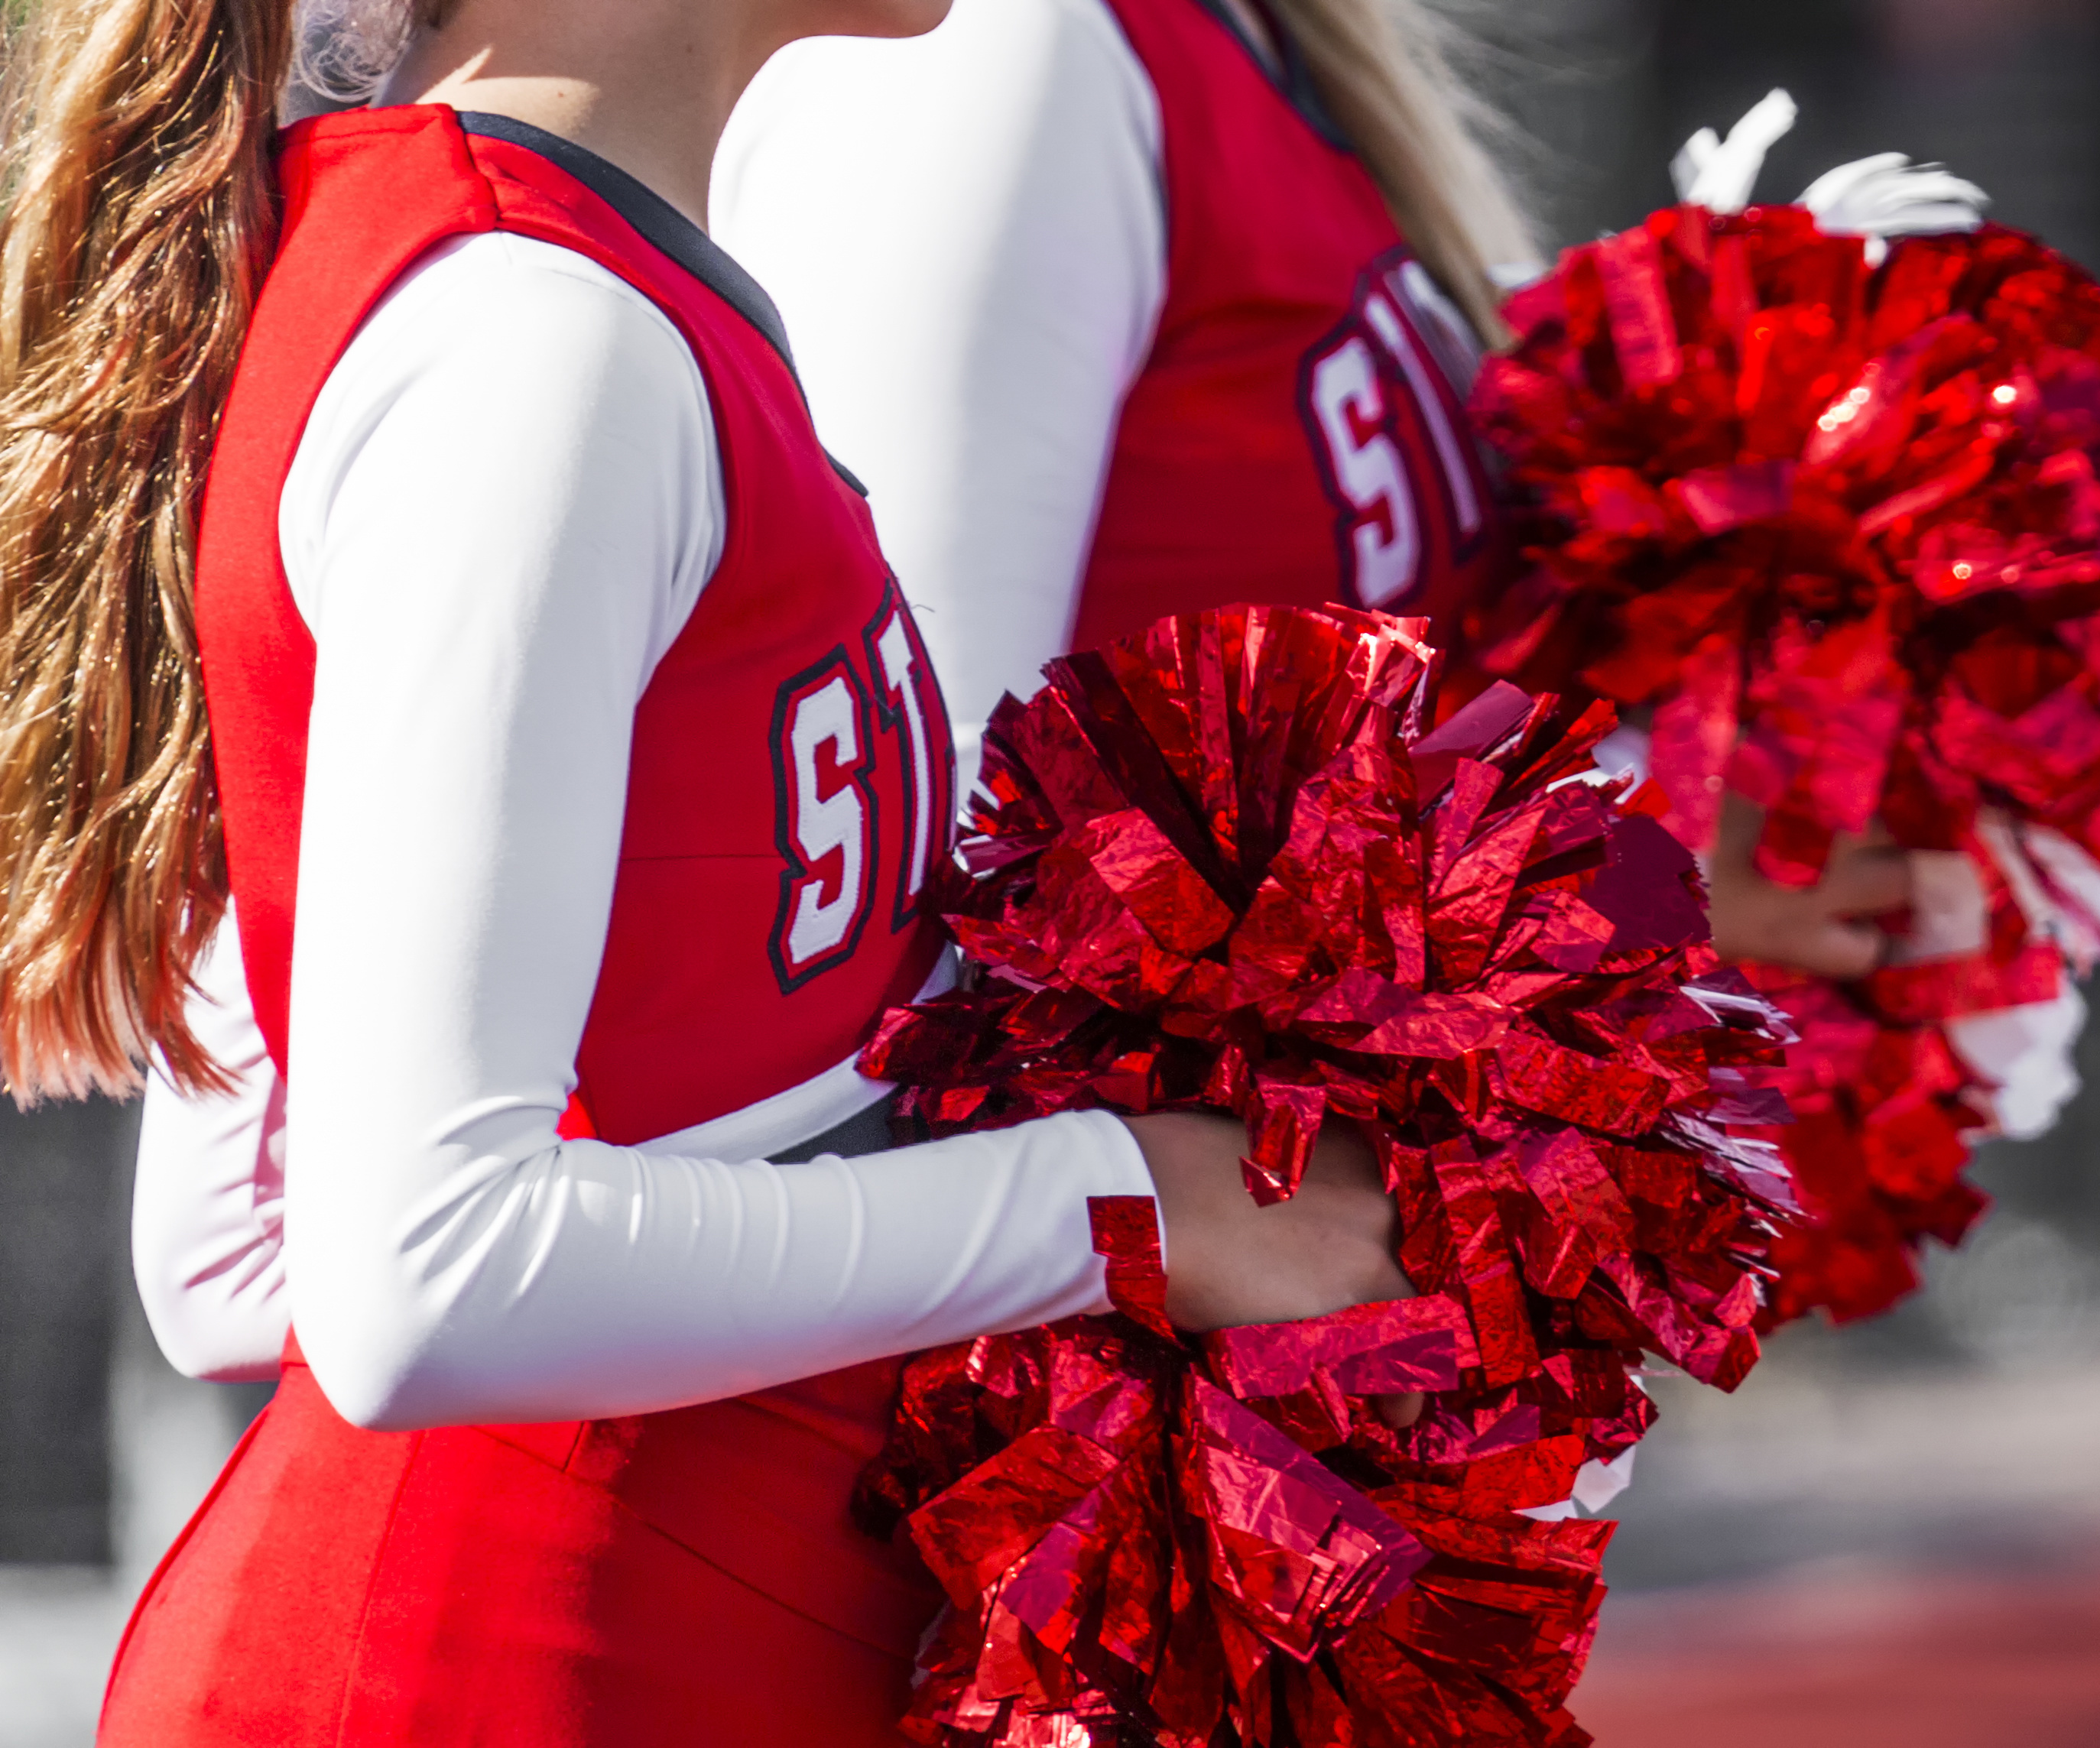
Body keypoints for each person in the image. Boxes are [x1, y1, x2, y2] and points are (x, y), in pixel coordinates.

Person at [0, 0, 1407, 1739]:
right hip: (506, 1665)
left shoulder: (519, 278)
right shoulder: (527, 336)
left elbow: (235, 1240)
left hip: (648, 1637)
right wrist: (1122, 1207)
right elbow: (415, 1278)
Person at [708, 6, 1968, 984]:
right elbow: (907, 845)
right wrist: (1626, 860)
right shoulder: (989, 45)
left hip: (1297, 1252)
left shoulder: (1268, 50)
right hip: (1121, 1264)